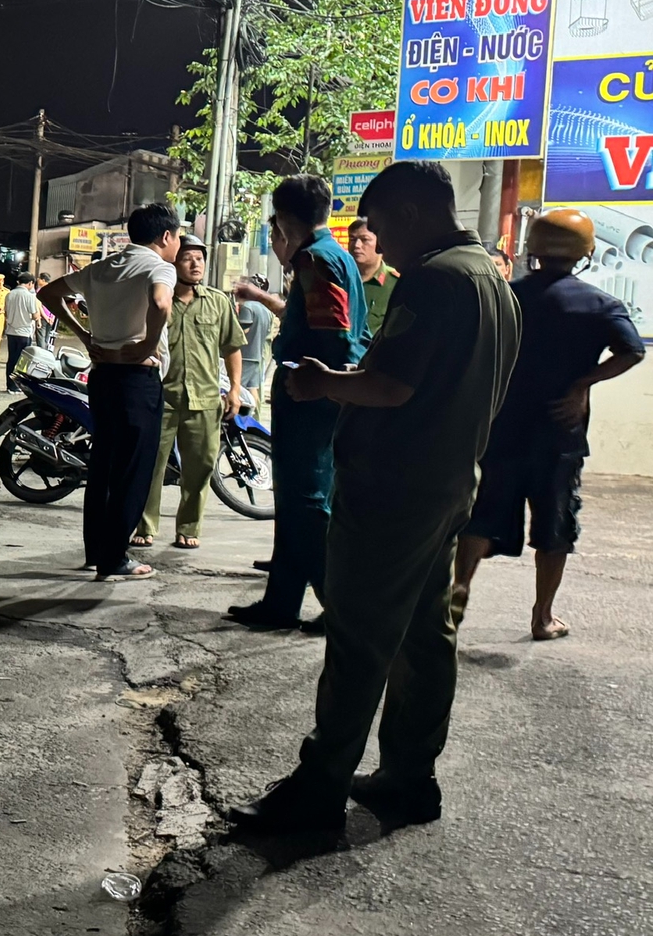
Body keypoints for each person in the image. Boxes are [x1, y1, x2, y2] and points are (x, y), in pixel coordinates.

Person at [230, 161, 518, 832]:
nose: (377, 244)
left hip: (397, 488)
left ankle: (318, 793)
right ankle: (408, 779)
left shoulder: (438, 279)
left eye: (382, 228)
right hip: (448, 482)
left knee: (359, 640)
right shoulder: (495, 283)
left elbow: (393, 385)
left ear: (413, 214)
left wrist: (324, 382)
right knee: (424, 636)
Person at [454, 209, 644, 641]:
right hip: (559, 432)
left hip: (502, 427)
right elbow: (632, 351)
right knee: (555, 524)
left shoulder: (506, 297)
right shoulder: (600, 305)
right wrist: (582, 384)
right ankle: (542, 617)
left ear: (532, 250)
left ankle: (459, 587)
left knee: (483, 515)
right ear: (586, 252)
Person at [227, 176, 365, 631]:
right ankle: (281, 604)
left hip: (310, 394)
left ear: (282, 219)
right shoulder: (336, 255)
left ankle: (341, 605)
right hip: (320, 392)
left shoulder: (315, 259)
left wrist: (321, 384)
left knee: (305, 502)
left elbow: (336, 336)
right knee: (295, 501)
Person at [39, 204, 181, 582]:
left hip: (103, 377)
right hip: (138, 378)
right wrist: (150, 343)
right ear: (165, 237)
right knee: (132, 470)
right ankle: (115, 557)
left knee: (103, 465)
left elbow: (49, 294)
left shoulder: (101, 268)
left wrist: (85, 335)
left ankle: (95, 551)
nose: (178, 244)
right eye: (178, 237)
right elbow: (161, 302)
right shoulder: (159, 267)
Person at [136, 235, 244, 550]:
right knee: (151, 465)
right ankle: (145, 525)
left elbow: (232, 347)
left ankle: (188, 527)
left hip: (205, 400)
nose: (196, 264)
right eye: (188, 258)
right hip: (162, 398)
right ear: (173, 262)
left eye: (200, 258)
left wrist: (235, 389)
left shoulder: (218, 302)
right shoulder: (158, 298)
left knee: (201, 467)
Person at [347, 217, 400, 344]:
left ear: (380, 243)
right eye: (352, 239)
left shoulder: (396, 283)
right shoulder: (340, 279)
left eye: (365, 240)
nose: (357, 245)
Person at [235, 278, 273, 396]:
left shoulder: (247, 307)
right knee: (253, 388)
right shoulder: (266, 310)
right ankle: (253, 414)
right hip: (257, 356)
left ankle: (240, 414)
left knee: (238, 388)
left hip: (245, 356)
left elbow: (243, 330)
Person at [3, 273, 39, 392]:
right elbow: (34, 315)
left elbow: (6, 313)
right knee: (23, 361)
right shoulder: (30, 296)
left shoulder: (9, 295)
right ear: (30, 283)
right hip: (24, 332)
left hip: (11, 331)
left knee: (12, 359)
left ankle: (10, 385)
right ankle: (19, 385)